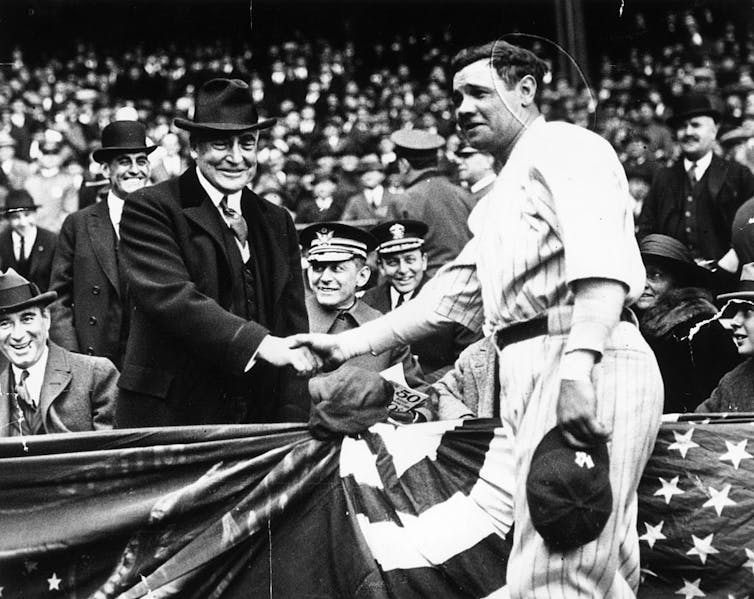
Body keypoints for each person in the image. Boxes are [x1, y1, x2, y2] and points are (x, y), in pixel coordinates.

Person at [293, 40, 663, 597]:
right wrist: (345, 346)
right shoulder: (499, 194)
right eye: (456, 96)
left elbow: (605, 266)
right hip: (534, 358)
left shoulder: (564, 145)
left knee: (556, 575)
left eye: (478, 92)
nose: (462, 108)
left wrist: (577, 369)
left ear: (526, 90)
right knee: (598, 571)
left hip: (583, 350)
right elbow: (449, 297)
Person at [115, 78, 316, 427]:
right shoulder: (150, 207)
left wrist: (291, 419)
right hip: (172, 418)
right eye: (221, 144)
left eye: (247, 143)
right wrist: (260, 343)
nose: (236, 158)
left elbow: (292, 323)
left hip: (258, 420)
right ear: (195, 147)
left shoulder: (277, 220)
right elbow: (171, 297)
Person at [48, 121, 157, 370]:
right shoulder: (79, 223)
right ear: (106, 169)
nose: (134, 170)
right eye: (124, 162)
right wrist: (75, 360)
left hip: (150, 365)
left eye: (141, 161)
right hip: (93, 361)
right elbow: (57, 299)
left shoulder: (165, 221)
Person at [300, 221, 424, 388]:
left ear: (362, 276)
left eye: (336, 268)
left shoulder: (385, 327)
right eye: (318, 268)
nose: (325, 278)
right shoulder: (291, 320)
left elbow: (416, 392)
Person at [637, 92, 754, 265]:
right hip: (676, 280)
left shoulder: (738, 174)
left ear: (714, 130)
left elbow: (750, 226)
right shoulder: (663, 177)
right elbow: (646, 230)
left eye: (696, 125)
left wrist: (730, 262)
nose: (688, 132)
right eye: (682, 127)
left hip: (726, 281)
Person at [0, 269, 118, 437]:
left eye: (27, 318)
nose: (18, 335)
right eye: (5, 324)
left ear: (46, 319)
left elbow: (108, 456)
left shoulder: (97, 374)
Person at [363, 219, 480, 382]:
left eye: (410, 260)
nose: (403, 270)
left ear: (424, 261)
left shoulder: (450, 298)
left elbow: (468, 360)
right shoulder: (367, 302)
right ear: (381, 267)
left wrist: (420, 385)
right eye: (392, 262)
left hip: (439, 391)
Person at [634, 234, 739, 413]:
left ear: (678, 282)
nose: (644, 284)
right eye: (639, 274)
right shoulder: (631, 324)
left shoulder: (701, 327)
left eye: (655, 275)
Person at [389, 129, 473, 279]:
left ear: (404, 164)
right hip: (471, 282)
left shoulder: (403, 201)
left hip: (428, 287)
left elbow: (392, 260)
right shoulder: (463, 193)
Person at [696, 263, 754, 413]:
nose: (735, 321)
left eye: (748, 311)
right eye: (736, 311)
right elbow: (699, 428)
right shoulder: (734, 381)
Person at [0, 189, 57, 292]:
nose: (23, 223)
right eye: (15, 217)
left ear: (35, 214)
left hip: (44, 302)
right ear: (8, 219)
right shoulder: (2, 241)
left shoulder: (52, 240)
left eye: (27, 215)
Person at [340, 155, 400, 223]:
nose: (367, 175)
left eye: (372, 171)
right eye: (362, 173)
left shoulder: (394, 198)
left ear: (383, 175)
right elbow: (346, 224)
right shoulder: (355, 201)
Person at [456, 144, 496, 209]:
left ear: (488, 161)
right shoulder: (468, 193)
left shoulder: (498, 192)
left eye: (467, 156)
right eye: (459, 157)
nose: (458, 161)